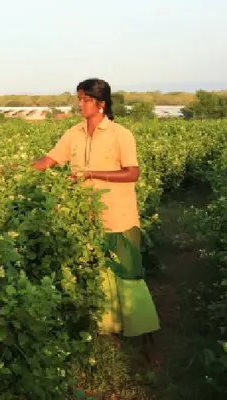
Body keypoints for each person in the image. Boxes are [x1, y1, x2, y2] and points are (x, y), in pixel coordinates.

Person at [31, 78, 161, 360]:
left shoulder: (120, 134)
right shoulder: (73, 133)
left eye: (86, 99)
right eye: (79, 98)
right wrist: (17, 169)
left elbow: (132, 173)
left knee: (129, 276)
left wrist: (92, 174)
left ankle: (147, 340)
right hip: (88, 217)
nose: (80, 104)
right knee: (101, 276)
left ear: (100, 104)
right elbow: (50, 160)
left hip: (119, 216)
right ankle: (111, 334)